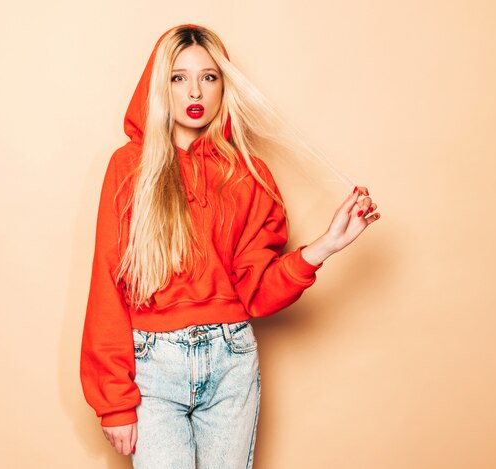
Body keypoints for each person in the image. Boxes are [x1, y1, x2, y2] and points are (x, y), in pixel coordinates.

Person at [80, 23, 380, 469]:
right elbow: (107, 284)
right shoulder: (129, 168)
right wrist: (115, 402)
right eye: (178, 77)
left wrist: (325, 246)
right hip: (152, 369)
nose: (195, 90)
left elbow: (256, 292)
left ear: (224, 85)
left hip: (231, 362)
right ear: (159, 87)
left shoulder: (248, 174)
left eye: (209, 76)